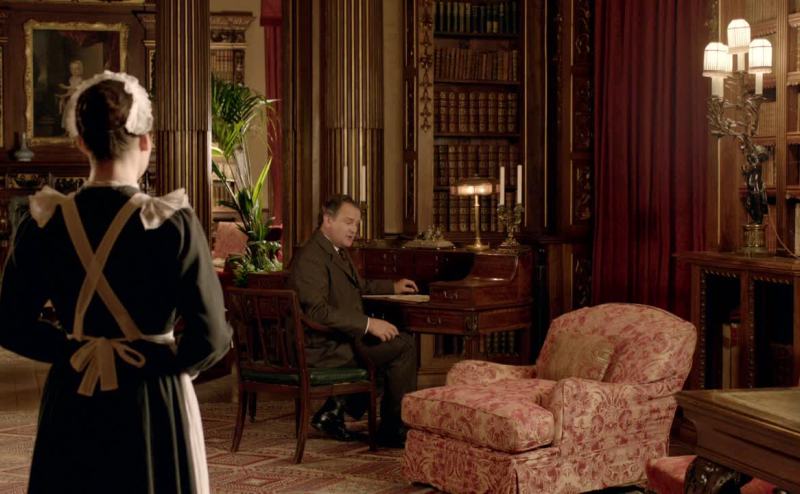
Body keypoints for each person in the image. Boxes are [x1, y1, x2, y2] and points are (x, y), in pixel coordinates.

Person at [0, 71, 231, 493]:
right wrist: (166, 364)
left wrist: (71, 350)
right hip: (152, 397)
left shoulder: (43, 222)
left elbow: (10, 323)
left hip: (73, 391)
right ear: (145, 141)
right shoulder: (172, 222)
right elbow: (212, 336)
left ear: (82, 143)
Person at [288, 194, 418, 447]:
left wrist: (393, 286)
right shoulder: (311, 257)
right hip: (322, 348)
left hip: (340, 338)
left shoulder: (335, 250)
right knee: (404, 346)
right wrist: (368, 324)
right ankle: (392, 431)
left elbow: (359, 286)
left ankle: (333, 411)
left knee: (394, 341)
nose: (354, 229)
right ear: (328, 220)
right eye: (348, 222)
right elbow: (317, 312)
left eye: (357, 224)